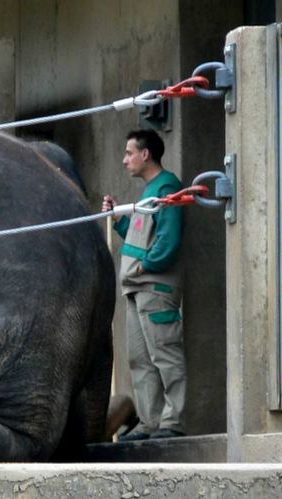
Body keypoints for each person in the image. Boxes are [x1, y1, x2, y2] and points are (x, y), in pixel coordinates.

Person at [102, 129, 186, 441]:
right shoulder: (149, 192)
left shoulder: (167, 189)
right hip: (137, 288)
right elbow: (144, 239)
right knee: (140, 359)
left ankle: (173, 421)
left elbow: (168, 241)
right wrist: (119, 219)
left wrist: (145, 266)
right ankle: (150, 423)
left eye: (128, 153)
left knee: (165, 354)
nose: (124, 160)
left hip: (155, 287)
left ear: (145, 154)